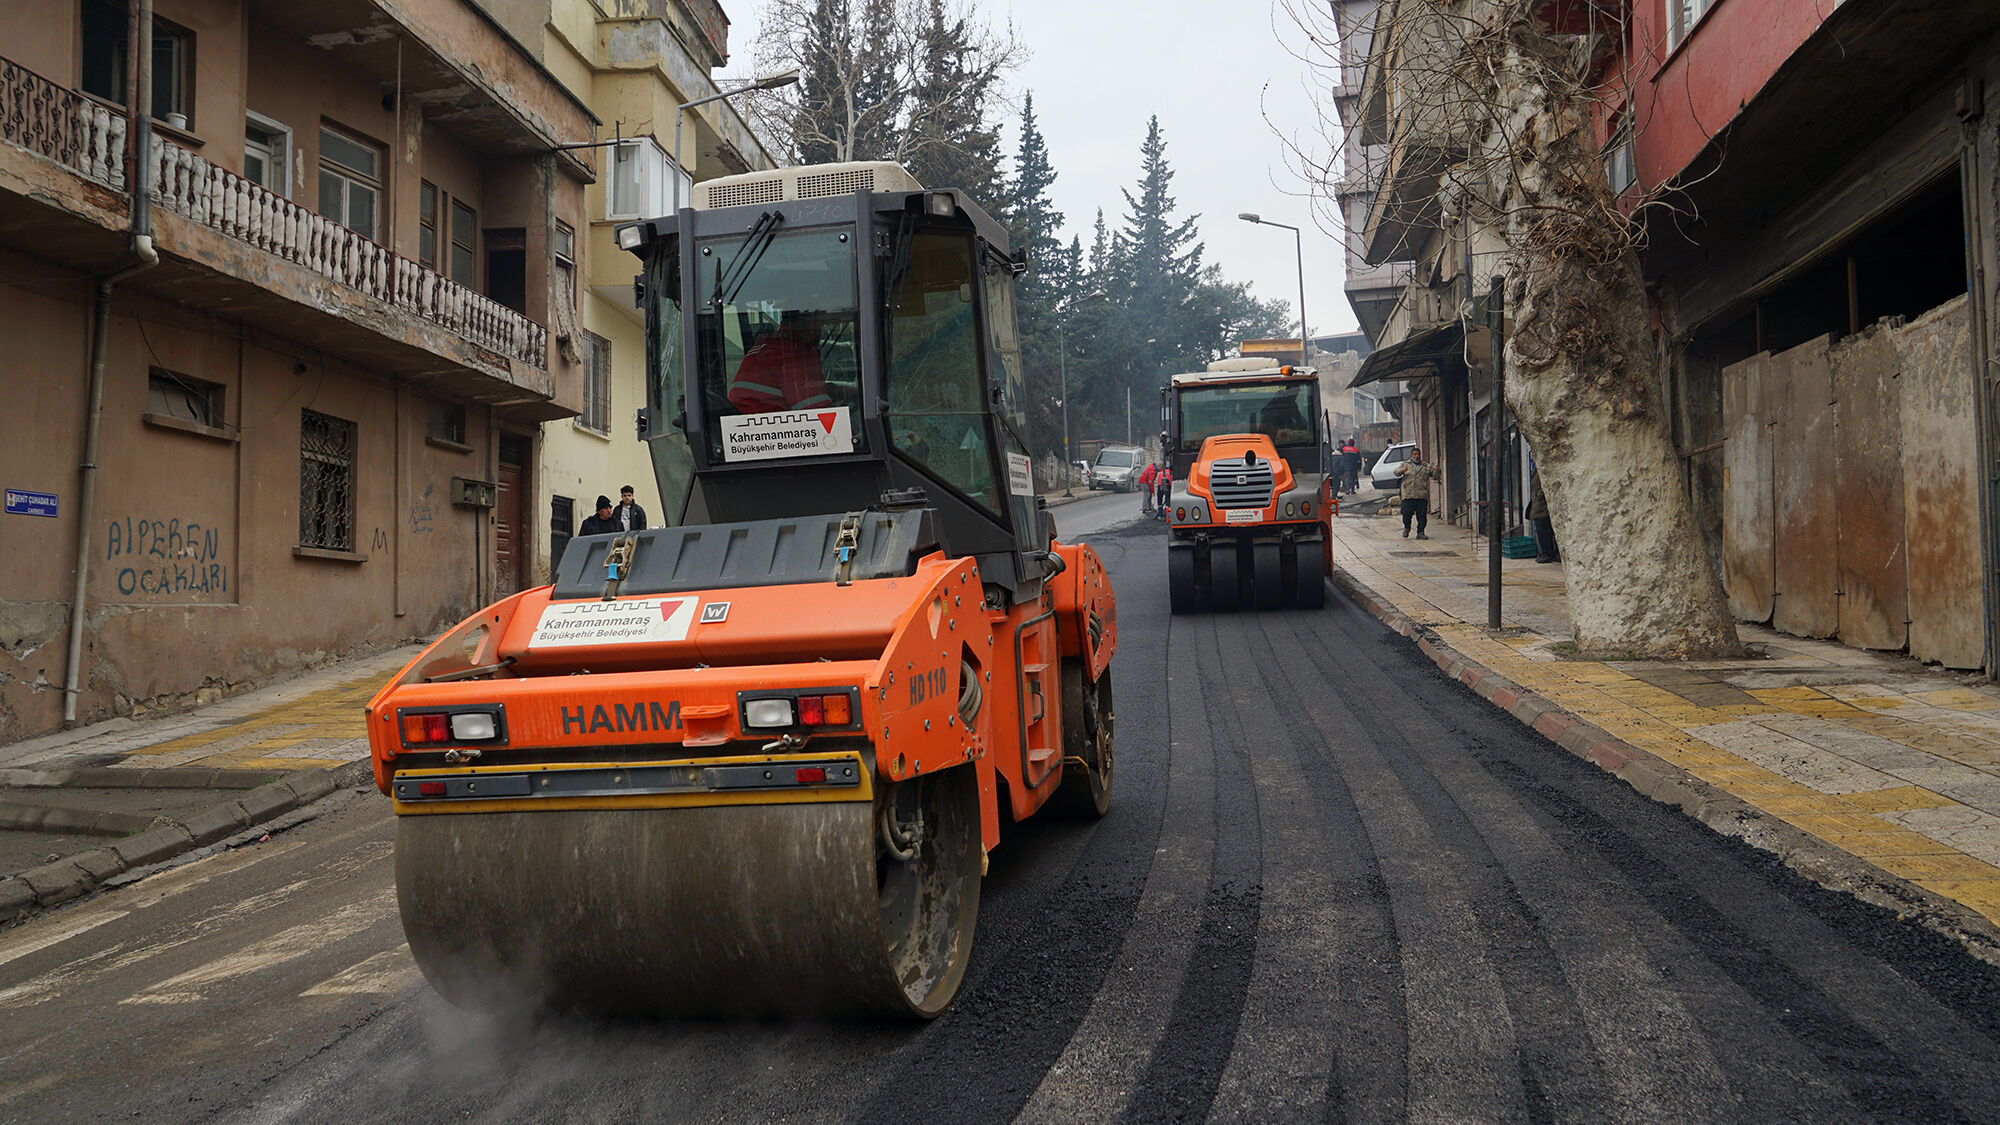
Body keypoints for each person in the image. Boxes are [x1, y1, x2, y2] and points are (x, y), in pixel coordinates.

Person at [728, 313, 830, 413]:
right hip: (772, 426)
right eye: (819, 325)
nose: (818, 332)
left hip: (752, 422)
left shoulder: (769, 346)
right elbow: (815, 409)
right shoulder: (794, 351)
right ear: (810, 325)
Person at [1394, 447, 1435, 539]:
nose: (1416, 456)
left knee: (1422, 515)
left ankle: (1420, 532)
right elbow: (1396, 472)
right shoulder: (1406, 465)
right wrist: (1401, 470)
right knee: (1406, 513)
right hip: (1408, 494)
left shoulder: (1425, 466)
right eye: (1414, 454)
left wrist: (1437, 470)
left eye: (1418, 454)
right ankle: (1407, 528)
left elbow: (1435, 475)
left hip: (1421, 494)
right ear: (1412, 455)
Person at [1528, 467, 1560, 563]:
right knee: (1542, 530)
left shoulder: (1542, 469)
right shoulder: (1537, 469)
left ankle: (1548, 553)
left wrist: (1540, 495)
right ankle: (1548, 553)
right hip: (1538, 503)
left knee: (1543, 530)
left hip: (1541, 506)